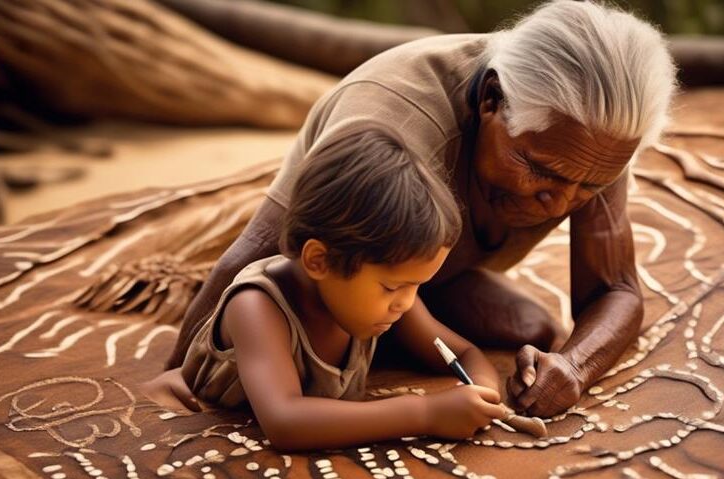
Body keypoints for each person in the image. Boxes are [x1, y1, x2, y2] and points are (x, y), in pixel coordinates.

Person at [166, 0, 678, 417]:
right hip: (340, 267)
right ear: (491, 100)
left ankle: (385, 303)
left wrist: (574, 368)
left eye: (589, 185)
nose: (561, 202)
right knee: (301, 330)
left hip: (419, 274)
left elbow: (615, 289)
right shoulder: (392, 115)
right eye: (540, 170)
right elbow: (262, 248)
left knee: (530, 331)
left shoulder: (595, 142)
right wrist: (182, 368)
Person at [143, 125, 509, 450]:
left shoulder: (392, 298)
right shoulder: (257, 306)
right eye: (392, 286)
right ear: (319, 260)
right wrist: (426, 412)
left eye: (416, 286)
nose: (406, 303)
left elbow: (463, 353)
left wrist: (480, 392)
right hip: (194, 413)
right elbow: (285, 421)